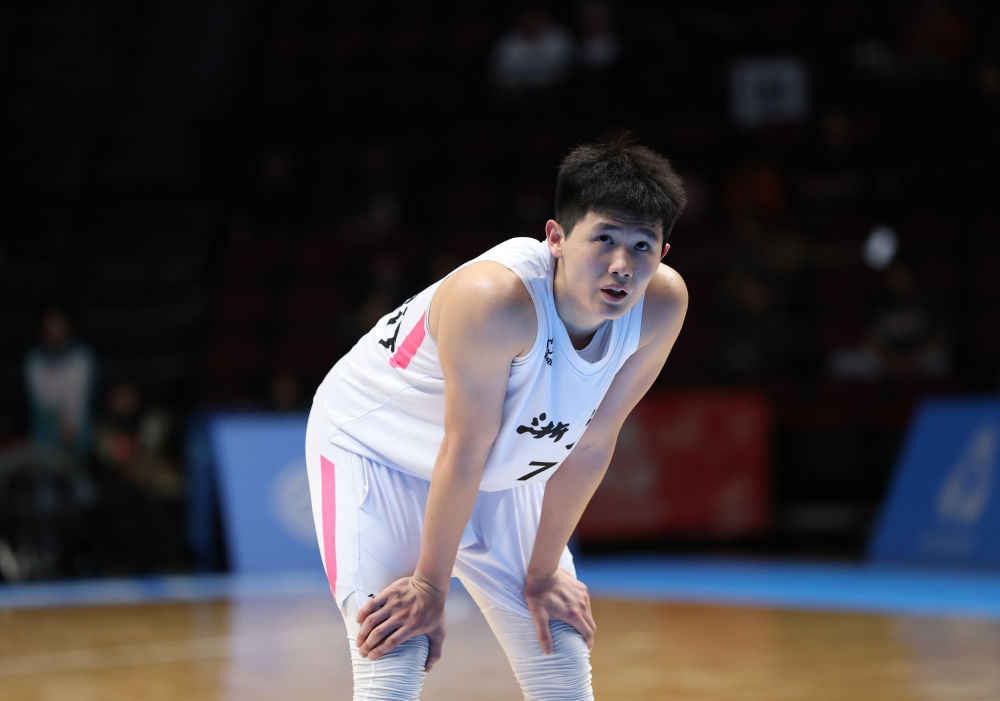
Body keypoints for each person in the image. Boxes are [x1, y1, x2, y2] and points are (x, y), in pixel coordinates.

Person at [304, 136, 688, 700]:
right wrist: (429, 587)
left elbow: (592, 443)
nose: (620, 266)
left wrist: (543, 572)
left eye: (641, 247)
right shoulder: (495, 298)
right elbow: (465, 448)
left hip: (495, 463)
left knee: (559, 649)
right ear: (556, 237)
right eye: (603, 239)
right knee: (396, 649)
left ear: (663, 254)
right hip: (377, 449)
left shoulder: (661, 305)